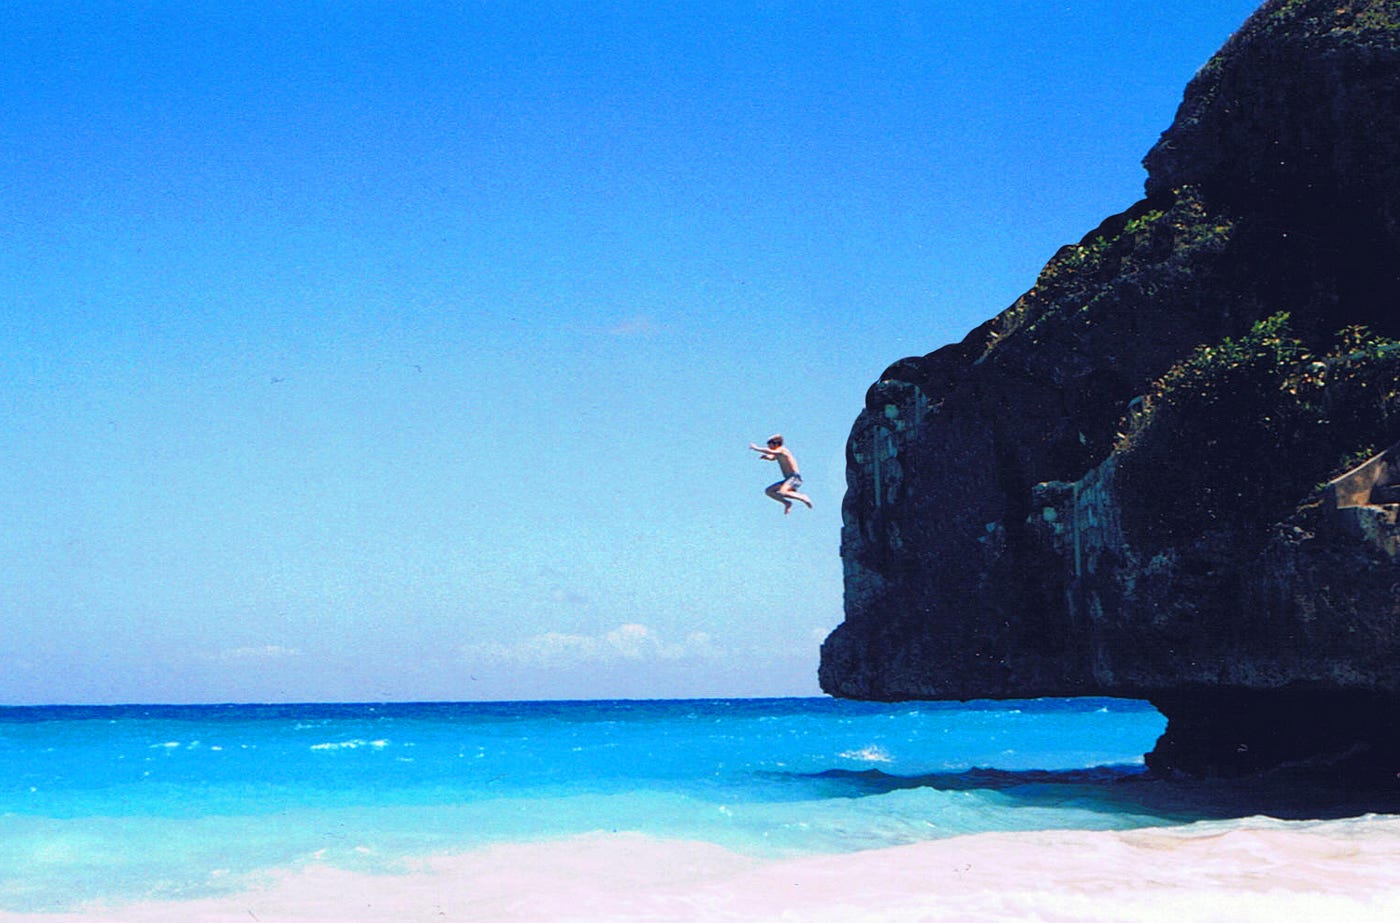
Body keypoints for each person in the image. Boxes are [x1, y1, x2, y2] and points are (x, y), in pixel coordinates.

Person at [748, 434, 813, 514]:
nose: (769, 447)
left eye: (769, 445)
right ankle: (786, 503)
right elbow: (772, 457)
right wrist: (766, 457)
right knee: (769, 491)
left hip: (794, 478)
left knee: (783, 492)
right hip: (788, 479)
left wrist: (756, 448)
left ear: (775, 444)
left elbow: (771, 452)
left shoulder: (783, 450)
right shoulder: (778, 453)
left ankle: (803, 497)